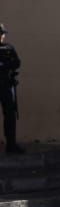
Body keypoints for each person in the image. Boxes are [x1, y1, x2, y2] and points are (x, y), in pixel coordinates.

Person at [0, 23, 19, 152]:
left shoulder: (8, 48)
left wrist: (4, 65)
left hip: (5, 85)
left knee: (10, 115)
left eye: (2, 34)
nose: (2, 36)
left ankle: (11, 144)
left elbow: (17, 63)